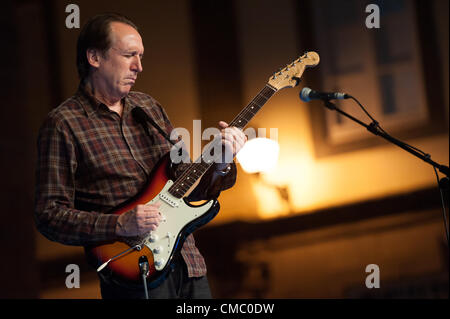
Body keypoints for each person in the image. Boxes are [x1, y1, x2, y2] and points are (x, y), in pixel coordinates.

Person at [34, 13, 247, 299]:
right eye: (129, 55)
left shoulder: (149, 107)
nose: (139, 67)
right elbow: (49, 216)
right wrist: (119, 224)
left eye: (141, 56)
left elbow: (190, 183)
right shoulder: (63, 124)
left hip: (190, 265)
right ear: (94, 57)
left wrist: (222, 158)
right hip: (136, 276)